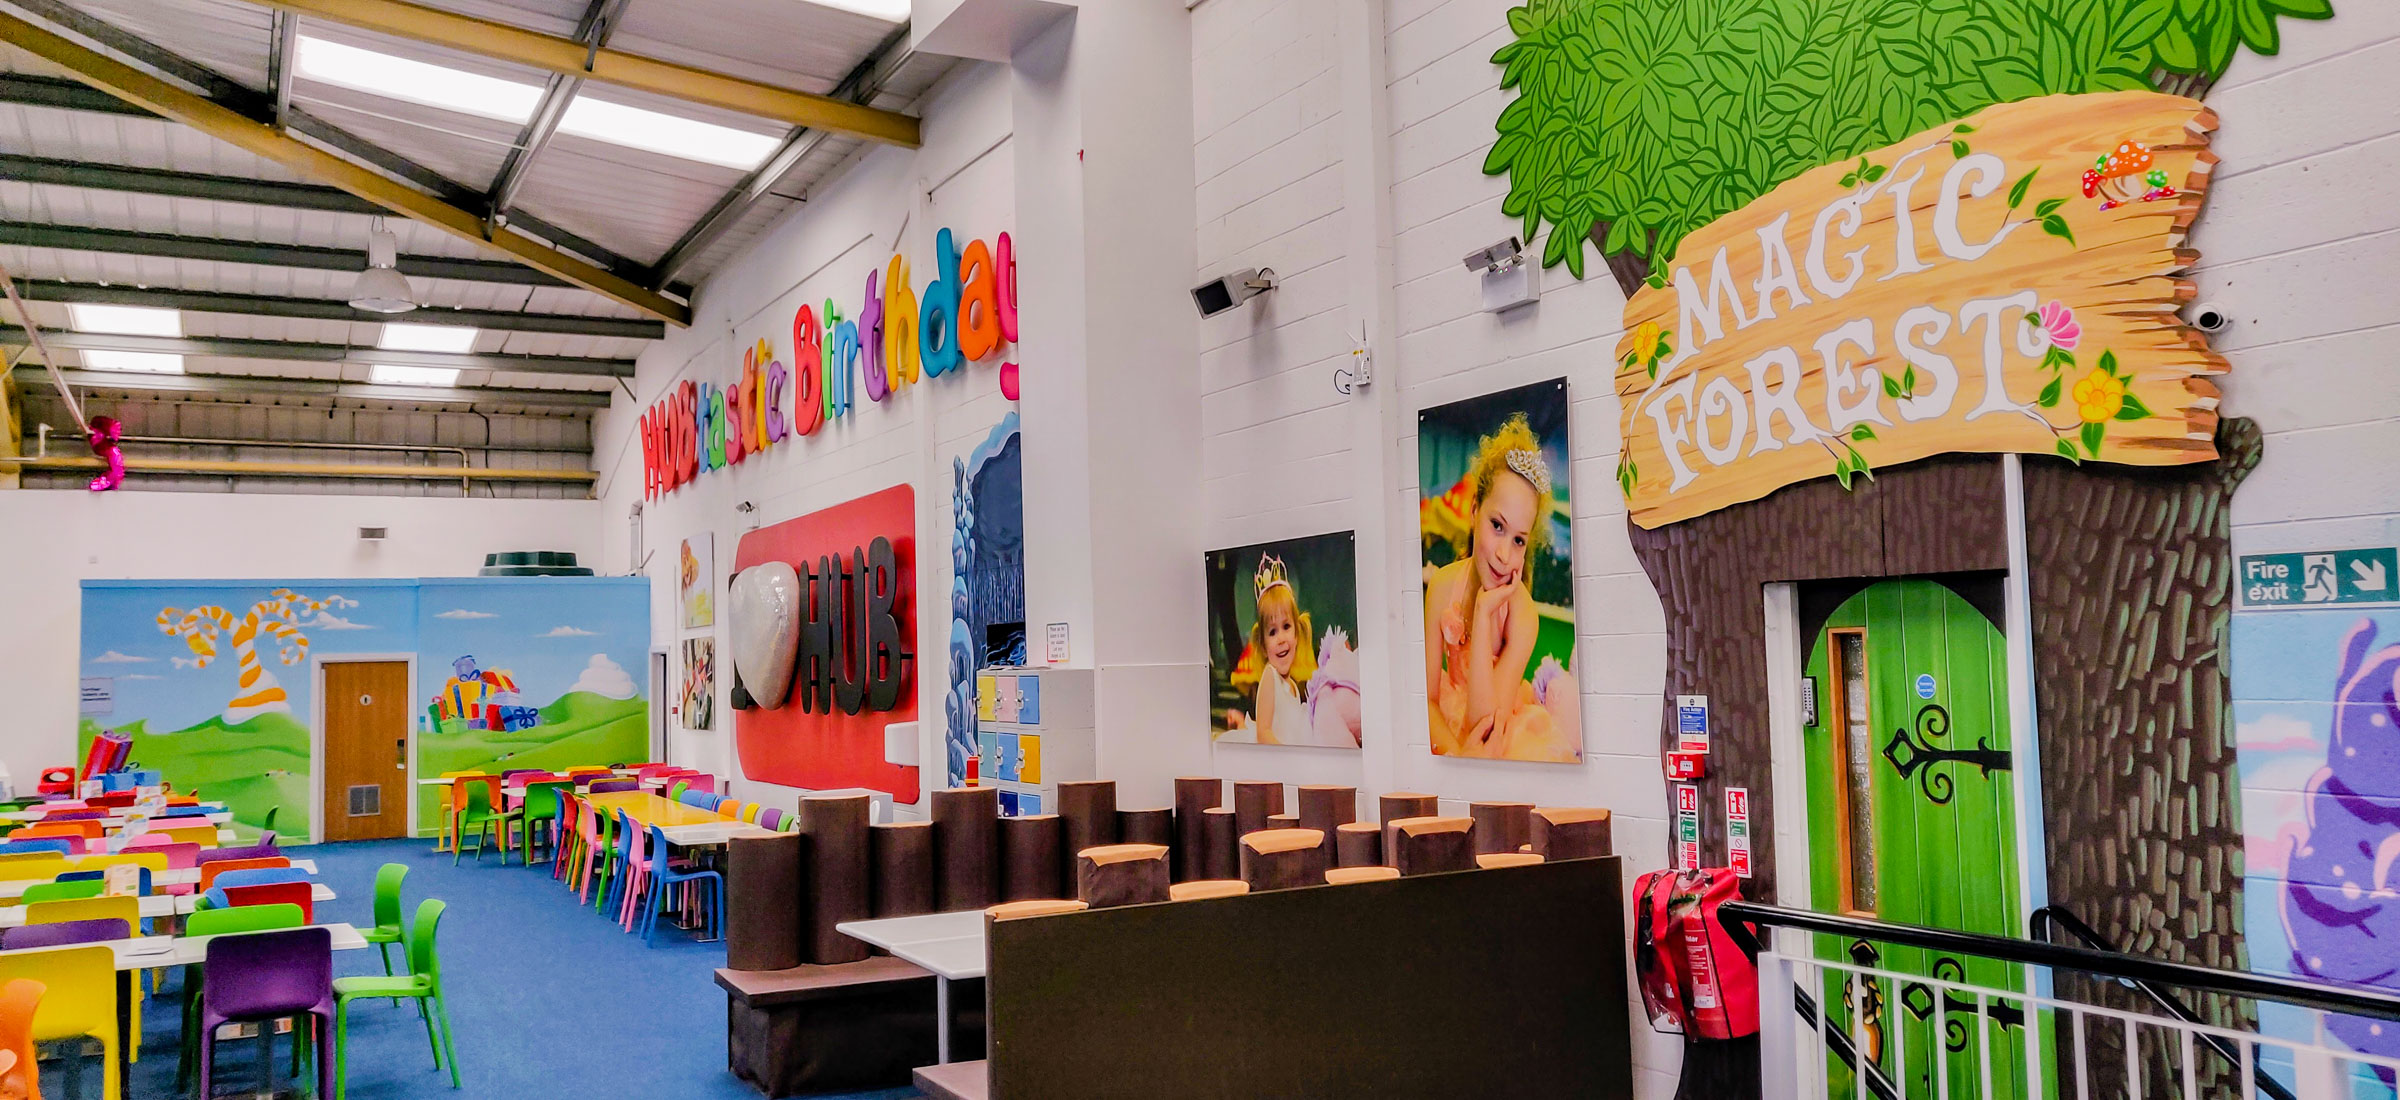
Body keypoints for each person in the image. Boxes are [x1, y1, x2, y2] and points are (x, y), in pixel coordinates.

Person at [1423, 413, 1574, 760]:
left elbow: (1486, 724)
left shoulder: (1523, 617)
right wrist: (1459, 756)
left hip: (1502, 733)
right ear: (1475, 510)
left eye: (1519, 540)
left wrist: (1484, 609)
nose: (1505, 554)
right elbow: (1427, 701)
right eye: (1497, 526)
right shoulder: (1444, 586)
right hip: (1450, 728)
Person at [1223, 555, 1317, 745]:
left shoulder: (1293, 686)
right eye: (1272, 632)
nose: (1281, 639)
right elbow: (1263, 733)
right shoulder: (1270, 676)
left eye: (1286, 627)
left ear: (1297, 634)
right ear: (1264, 646)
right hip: (1273, 762)